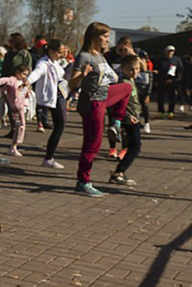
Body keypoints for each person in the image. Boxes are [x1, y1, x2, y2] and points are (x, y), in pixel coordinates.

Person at [67, 22, 131, 198]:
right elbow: (70, 84)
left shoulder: (101, 57)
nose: (108, 40)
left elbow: (116, 77)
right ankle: (83, 182)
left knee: (126, 88)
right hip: (93, 102)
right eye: (105, 36)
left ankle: (116, 123)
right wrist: (82, 74)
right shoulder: (84, 57)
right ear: (95, 37)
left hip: (104, 97)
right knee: (92, 144)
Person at [25, 39, 70, 169]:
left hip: (61, 94)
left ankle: (49, 157)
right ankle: (49, 158)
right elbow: (37, 72)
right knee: (59, 126)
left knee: (59, 127)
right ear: (51, 51)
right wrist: (28, 81)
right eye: (60, 52)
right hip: (55, 97)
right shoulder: (44, 63)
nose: (62, 54)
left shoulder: (55, 62)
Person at [110, 55, 145, 186]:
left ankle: (120, 172)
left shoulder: (130, 80)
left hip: (134, 117)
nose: (135, 72)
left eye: (137, 69)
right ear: (123, 68)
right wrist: (126, 117)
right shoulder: (124, 82)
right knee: (135, 147)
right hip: (130, 119)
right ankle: (118, 172)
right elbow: (118, 103)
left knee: (134, 146)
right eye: (131, 69)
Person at [0, 65, 31, 157]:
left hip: (21, 106)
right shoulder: (13, 80)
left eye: (26, 74)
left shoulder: (22, 82)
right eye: (23, 74)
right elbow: (6, 80)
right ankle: (13, 147)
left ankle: (14, 146)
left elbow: (23, 92)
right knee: (19, 126)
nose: (24, 76)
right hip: (15, 108)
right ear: (17, 72)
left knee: (21, 126)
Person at [154, 45, 183, 119]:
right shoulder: (160, 59)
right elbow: (156, 70)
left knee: (172, 97)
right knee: (161, 97)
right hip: (162, 81)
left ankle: (171, 112)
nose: (170, 52)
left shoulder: (176, 60)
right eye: (169, 51)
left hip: (172, 82)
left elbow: (180, 70)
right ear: (165, 52)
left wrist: (176, 79)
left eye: (172, 51)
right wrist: (156, 80)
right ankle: (161, 112)